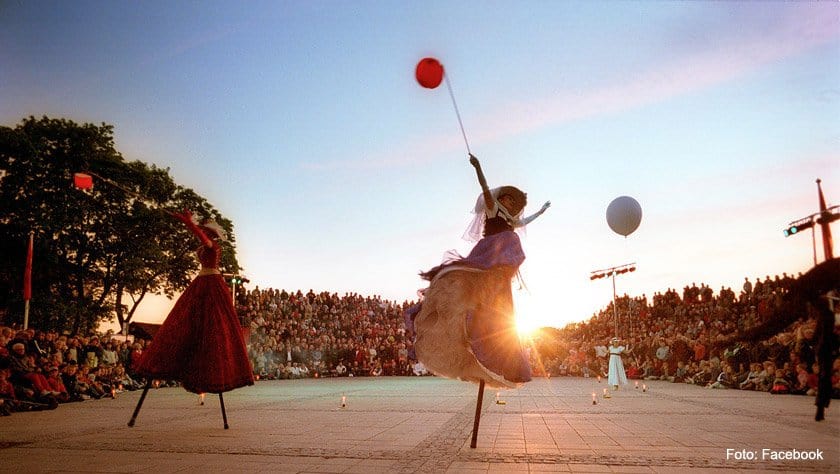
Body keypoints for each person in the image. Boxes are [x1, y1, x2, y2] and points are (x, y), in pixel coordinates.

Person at [405, 154, 550, 389]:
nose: (513, 205)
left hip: (501, 256)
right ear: (503, 197)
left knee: (511, 239)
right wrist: (478, 167)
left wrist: (541, 212)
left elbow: (525, 222)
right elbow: (484, 187)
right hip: (489, 251)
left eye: (515, 203)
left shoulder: (512, 222)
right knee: (489, 257)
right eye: (510, 200)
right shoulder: (493, 209)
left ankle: (493, 287)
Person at [134, 210, 254, 394]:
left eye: (207, 232)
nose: (204, 233)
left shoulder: (212, 246)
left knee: (213, 325)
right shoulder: (206, 245)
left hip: (211, 283)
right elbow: (199, 236)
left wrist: (189, 224)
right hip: (202, 281)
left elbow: (201, 237)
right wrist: (188, 223)